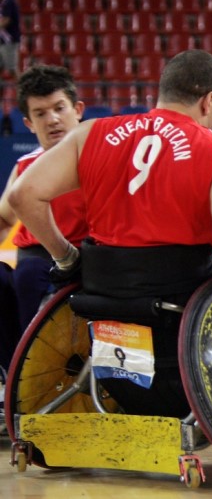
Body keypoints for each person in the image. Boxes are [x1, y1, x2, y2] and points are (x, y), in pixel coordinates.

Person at [8, 50, 212, 418]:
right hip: (179, 304)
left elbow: (21, 196)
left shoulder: (91, 132)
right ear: (208, 101)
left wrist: (66, 258)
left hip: (104, 294)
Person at [0, 64, 87, 373]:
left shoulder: (101, 157)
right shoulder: (24, 167)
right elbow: (4, 221)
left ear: (77, 110)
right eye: (40, 113)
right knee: (25, 275)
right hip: (39, 257)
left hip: (90, 256)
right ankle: (18, 374)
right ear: (29, 123)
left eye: (58, 108)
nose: (52, 119)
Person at [0, 0, 20, 80]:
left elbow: (6, 20)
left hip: (9, 41)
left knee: (12, 69)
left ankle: (25, 92)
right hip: (2, 41)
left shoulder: (8, 2)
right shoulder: (3, 2)